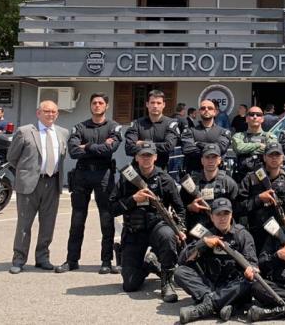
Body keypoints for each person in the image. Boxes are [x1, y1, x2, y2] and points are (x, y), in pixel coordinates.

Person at [110, 144, 186, 302]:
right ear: (137, 158)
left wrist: (179, 229)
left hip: (157, 227)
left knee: (168, 236)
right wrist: (133, 199)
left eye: (149, 155)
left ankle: (167, 282)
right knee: (130, 285)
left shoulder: (164, 179)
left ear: (155, 157)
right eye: (143, 155)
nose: (146, 158)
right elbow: (112, 208)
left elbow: (180, 209)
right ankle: (149, 264)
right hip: (134, 231)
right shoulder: (127, 178)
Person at [56, 93, 121, 275]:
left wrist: (87, 146)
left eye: (100, 103)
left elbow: (111, 148)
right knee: (77, 220)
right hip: (82, 175)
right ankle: (72, 260)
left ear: (106, 106)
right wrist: (99, 147)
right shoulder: (80, 127)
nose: (97, 105)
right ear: (90, 105)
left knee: (106, 220)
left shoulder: (113, 127)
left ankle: (106, 261)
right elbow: (73, 152)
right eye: (94, 103)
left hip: (104, 175)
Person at [7, 100, 68, 274]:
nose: (50, 114)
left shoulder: (63, 133)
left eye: (54, 112)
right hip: (29, 183)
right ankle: (19, 259)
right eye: (46, 111)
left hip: (52, 183)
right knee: (24, 223)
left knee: (48, 223)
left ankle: (42, 258)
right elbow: (12, 157)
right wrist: (26, 172)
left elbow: (62, 158)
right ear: (38, 113)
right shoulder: (25, 131)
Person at [175, 198, 258, 324]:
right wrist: (203, 243)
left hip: (233, 286)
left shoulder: (242, 235)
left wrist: (250, 271)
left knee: (251, 281)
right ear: (212, 217)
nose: (222, 218)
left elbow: (252, 263)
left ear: (231, 215)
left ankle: (207, 306)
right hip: (210, 286)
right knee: (180, 272)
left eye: (226, 213)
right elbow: (182, 260)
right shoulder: (205, 234)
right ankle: (222, 304)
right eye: (218, 214)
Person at [236, 142, 285, 248]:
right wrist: (258, 199)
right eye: (271, 155)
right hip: (255, 233)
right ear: (264, 158)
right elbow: (238, 208)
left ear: (283, 158)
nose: (274, 158)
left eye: (277, 155)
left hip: (281, 234)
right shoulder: (250, 179)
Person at [180, 144, 239, 232]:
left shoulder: (228, 183)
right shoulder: (190, 182)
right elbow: (179, 207)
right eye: (207, 157)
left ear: (219, 160)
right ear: (202, 160)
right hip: (198, 229)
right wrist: (190, 207)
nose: (211, 161)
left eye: (214, 157)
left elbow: (237, 209)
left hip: (222, 228)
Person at [124, 89, 179, 171]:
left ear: (164, 105)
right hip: (138, 171)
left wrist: (143, 143)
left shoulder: (170, 124)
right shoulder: (137, 124)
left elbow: (169, 147)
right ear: (147, 104)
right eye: (152, 102)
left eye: (159, 103)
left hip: (161, 171)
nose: (155, 106)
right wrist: (157, 146)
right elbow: (129, 148)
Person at [180, 99, 232, 173]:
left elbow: (221, 148)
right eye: (203, 108)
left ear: (215, 112)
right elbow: (188, 149)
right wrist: (213, 149)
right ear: (199, 112)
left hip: (218, 174)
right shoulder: (189, 131)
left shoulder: (224, 132)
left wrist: (199, 144)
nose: (206, 110)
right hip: (194, 173)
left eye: (210, 108)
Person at [231, 105, 276, 183]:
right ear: (246, 118)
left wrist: (247, 148)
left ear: (262, 119)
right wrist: (258, 145)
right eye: (251, 114)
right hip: (242, 178)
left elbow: (271, 151)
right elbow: (239, 148)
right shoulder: (238, 136)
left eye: (258, 115)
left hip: (263, 179)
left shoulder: (270, 136)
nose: (255, 117)